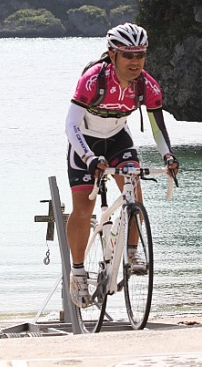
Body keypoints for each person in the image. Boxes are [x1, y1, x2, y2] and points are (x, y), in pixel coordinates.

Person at [65, 22, 179, 308]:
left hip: (118, 139)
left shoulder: (147, 85)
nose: (135, 61)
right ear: (112, 55)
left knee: (134, 193)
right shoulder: (93, 80)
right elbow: (71, 124)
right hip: (85, 141)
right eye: (128, 55)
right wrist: (89, 158)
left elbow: (157, 127)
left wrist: (168, 156)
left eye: (140, 54)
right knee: (82, 208)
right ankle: (78, 271)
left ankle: (131, 250)